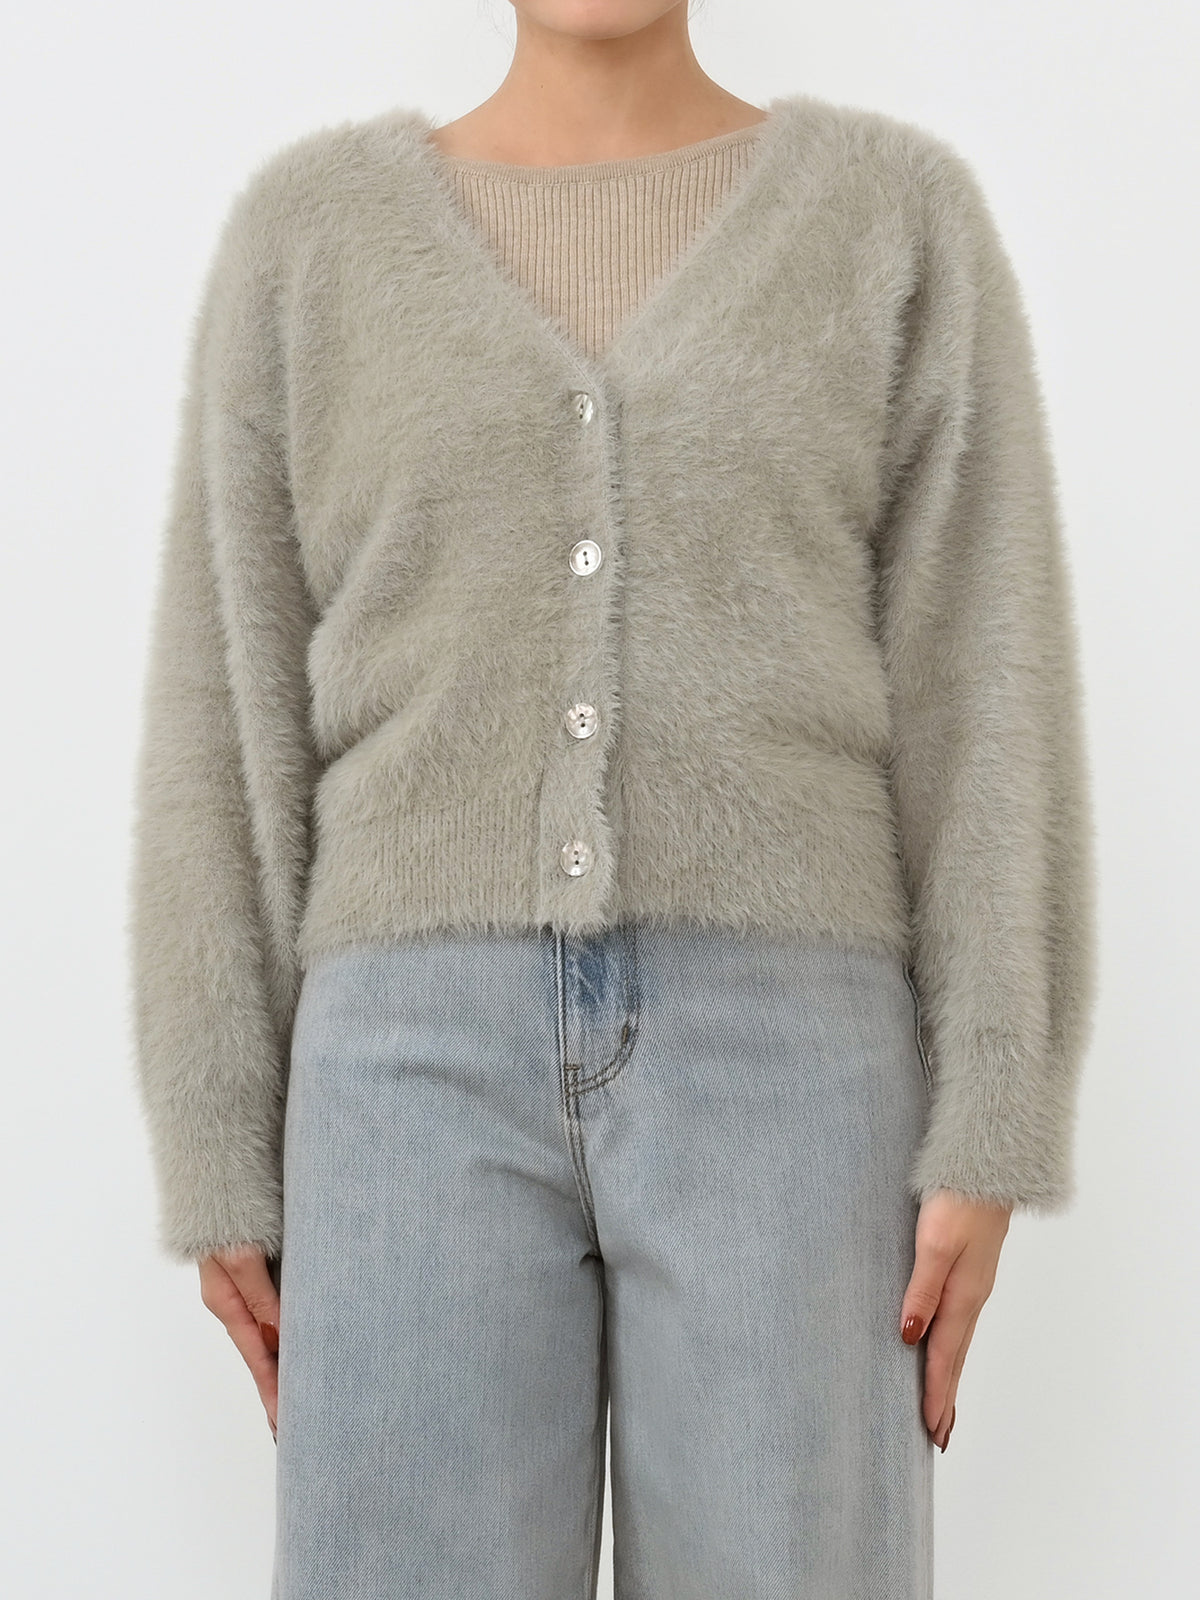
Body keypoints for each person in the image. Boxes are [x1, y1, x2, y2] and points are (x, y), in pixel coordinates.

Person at [127, 3, 1098, 1595]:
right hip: (404, 1074)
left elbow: (984, 680)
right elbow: (220, 699)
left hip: (793, 1068)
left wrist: (996, 1105)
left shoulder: (895, 222)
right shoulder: (308, 241)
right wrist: (214, 1132)